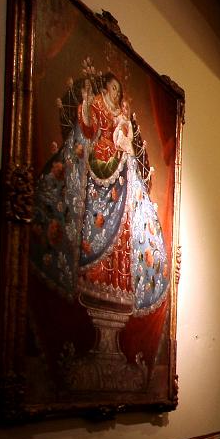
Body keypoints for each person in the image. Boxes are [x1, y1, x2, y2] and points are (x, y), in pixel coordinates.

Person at [29, 69, 170, 379]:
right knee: (95, 227)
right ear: (105, 89)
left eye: (119, 91)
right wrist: (85, 108)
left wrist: (123, 138)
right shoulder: (95, 104)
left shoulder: (121, 116)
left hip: (118, 174)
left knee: (125, 233)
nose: (116, 95)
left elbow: (126, 141)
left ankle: (116, 283)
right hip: (97, 171)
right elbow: (88, 129)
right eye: (113, 89)